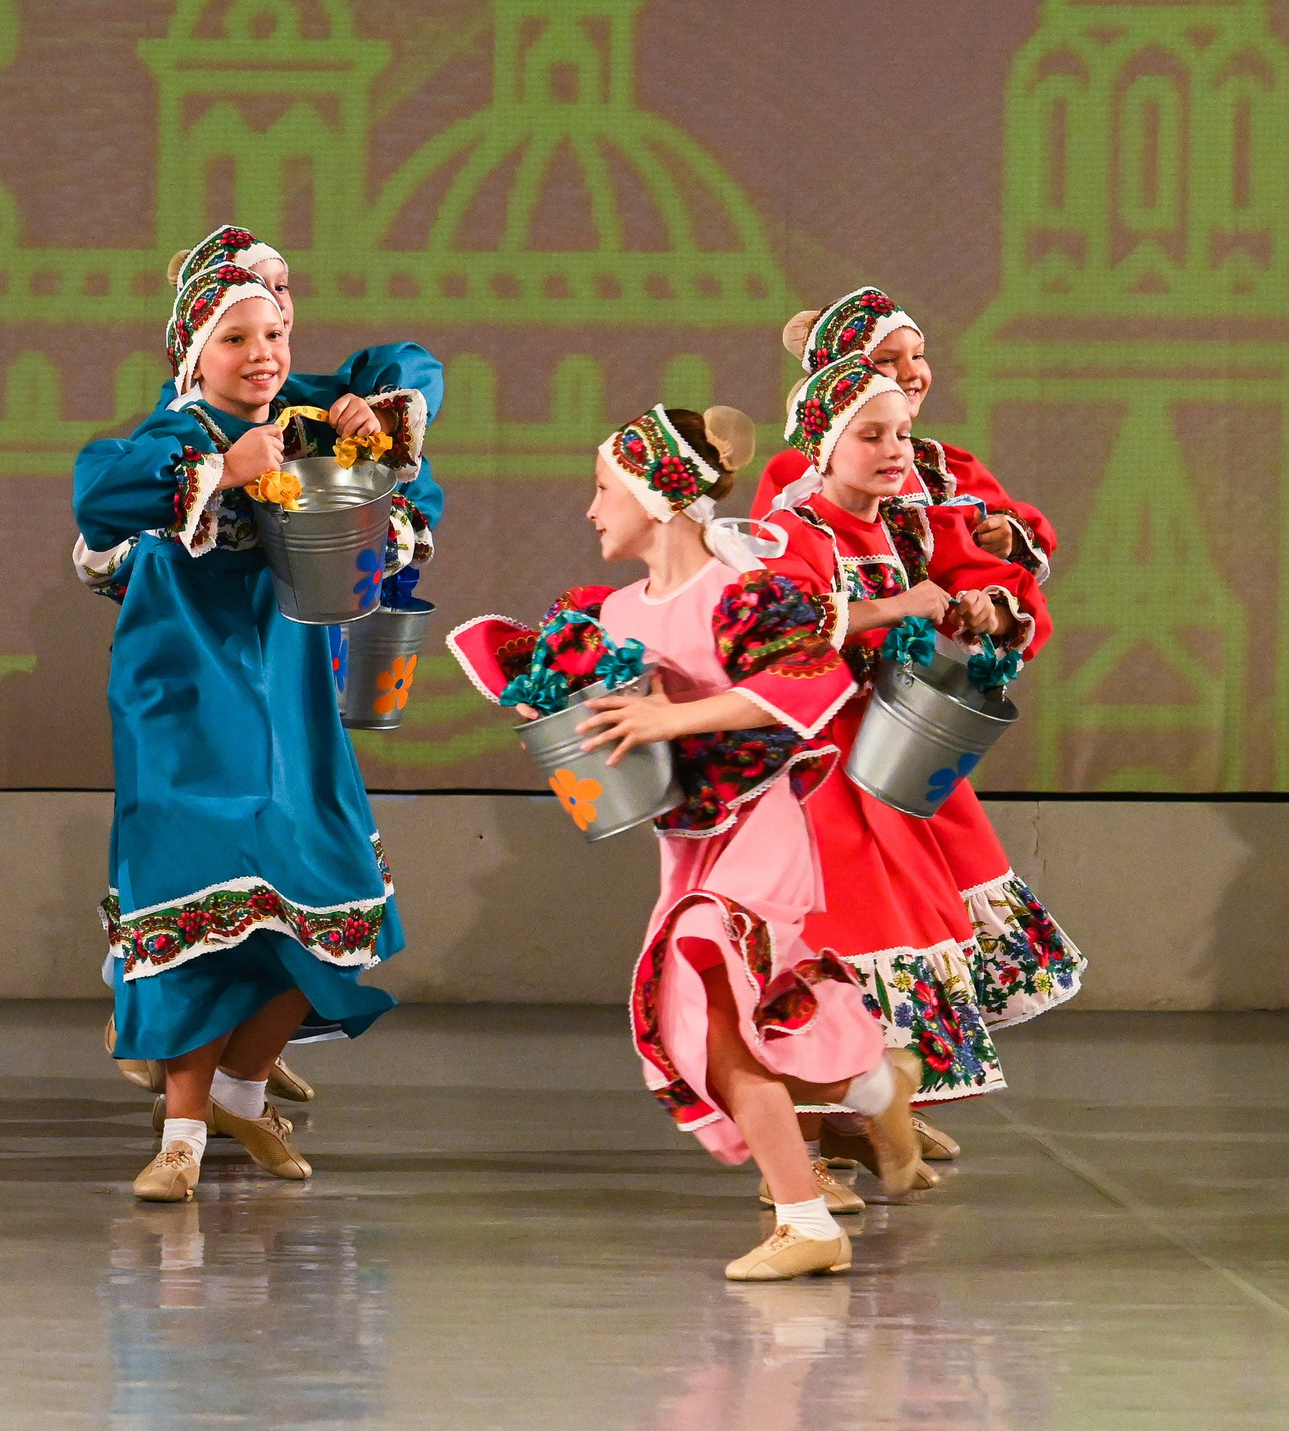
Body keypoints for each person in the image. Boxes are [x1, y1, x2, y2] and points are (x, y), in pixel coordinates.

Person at [447, 401, 929, 1280]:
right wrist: (550, 711)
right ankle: (872, 1084)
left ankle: (807, 1218)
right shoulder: (612, 613)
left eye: (602, 489)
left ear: (656, 495)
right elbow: (571, 699)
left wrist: (675, 714)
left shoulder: (740, 593)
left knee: (706, 978)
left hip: (763, 824)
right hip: (688, 840)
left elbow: (805, 682)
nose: (592, 510)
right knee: (731, 1026)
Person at [72, 260, 433, 1202]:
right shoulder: (175, 432)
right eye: (235, 338)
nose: (262, 354)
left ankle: (240, 1088)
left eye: (273, 335)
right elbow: (97, 497)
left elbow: (402, 492)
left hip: (288, 690)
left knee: (323, 889)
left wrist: (368, 428)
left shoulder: (308, 425)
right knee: (200, 903)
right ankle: (183, 1131)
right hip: (184, 697)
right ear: (196, 355)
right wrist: (221, 471)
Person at [754, 290, 1083, 1164]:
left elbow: (977, 571)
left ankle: (879, 1104)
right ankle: (816, 1136)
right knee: (839, 930)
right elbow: (777, 622)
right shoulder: (798, 508)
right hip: (822, 753)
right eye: (881, 389)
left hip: (896, 739)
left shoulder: (919, 497)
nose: (905, 397)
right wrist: (901, 604)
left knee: (912, 916)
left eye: (914, 362)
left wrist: (990, 606)